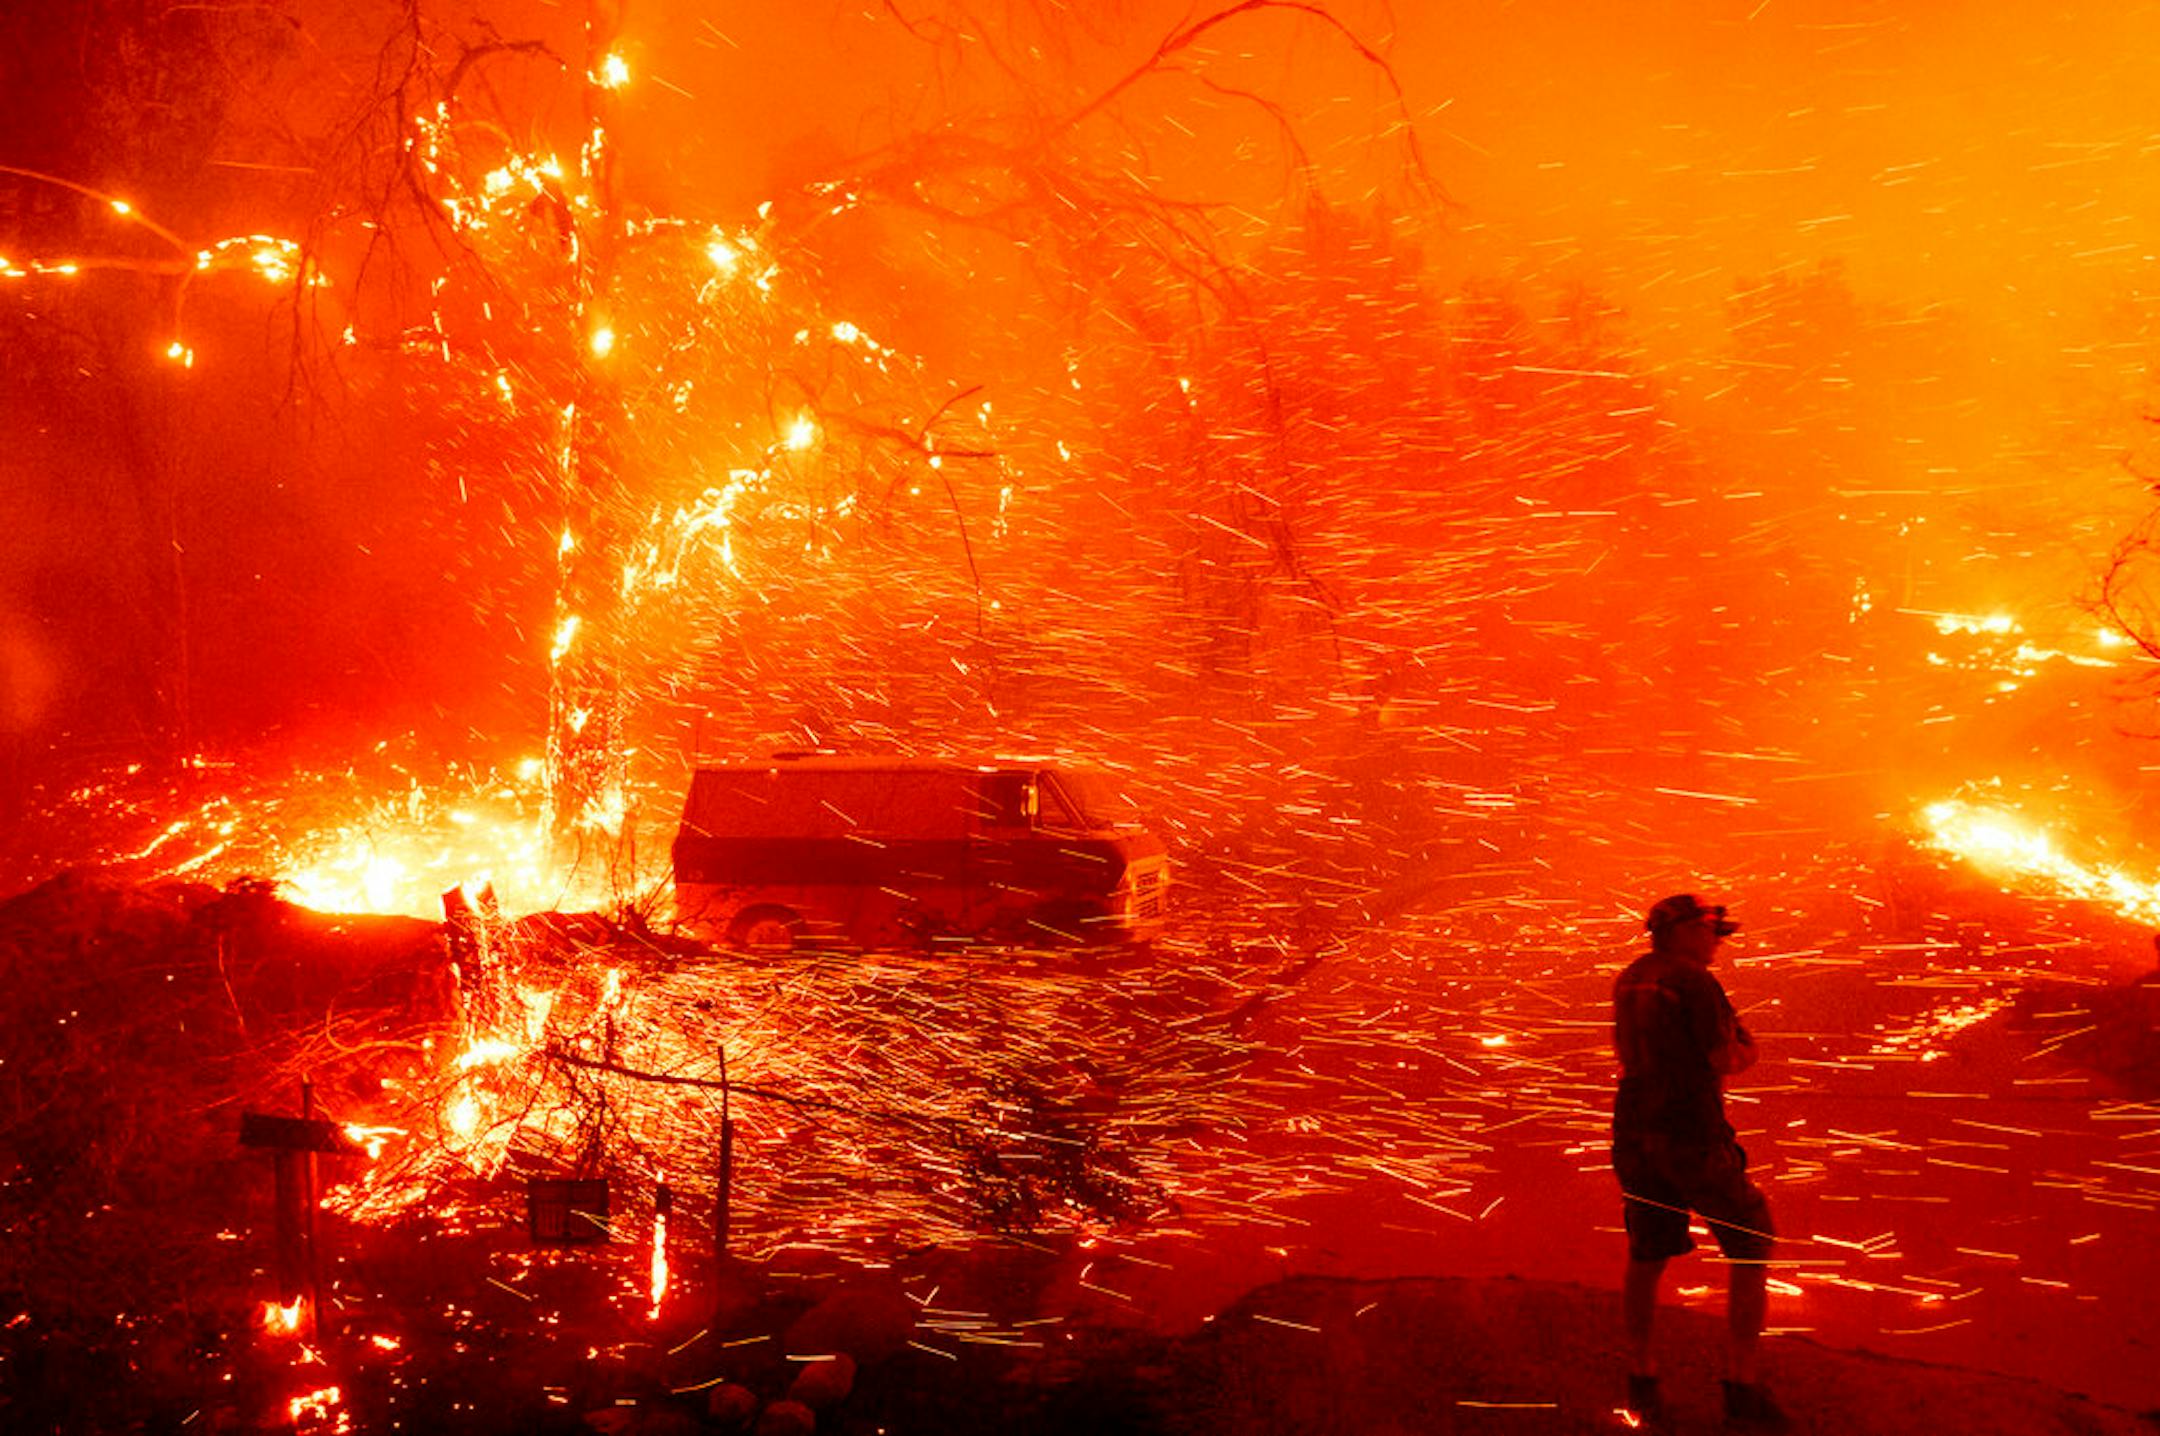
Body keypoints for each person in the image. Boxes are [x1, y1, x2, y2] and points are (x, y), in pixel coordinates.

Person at [1611, 893, 1788, 1432]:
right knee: (1752, 1241)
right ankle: (1741, 1383)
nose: (1718, 943)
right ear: (1687, 931)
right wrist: (1746, 1052)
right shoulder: (1694, 982)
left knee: (1647, 1253)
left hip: (1634, 1133)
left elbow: (1624, 1053)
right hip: (1691, 1135)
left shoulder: (1630, 978)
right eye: (1713, 932)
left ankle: (1641, 1375)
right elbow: (1724, 1056)